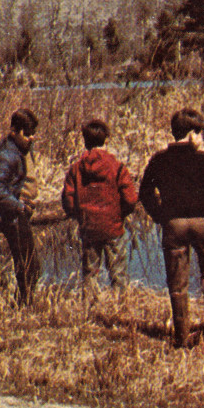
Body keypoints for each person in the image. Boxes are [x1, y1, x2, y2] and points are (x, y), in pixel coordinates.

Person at [139, 107, 204, 348]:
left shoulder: (159, 160)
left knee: (177, 282)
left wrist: (161, 216)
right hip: (202, 222)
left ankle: (181, 335)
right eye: (201, 133)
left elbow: (145, 192)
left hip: (174, 224)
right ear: (191, 134)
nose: (202, 139)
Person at [61, 118, 137, 301]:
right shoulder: (117, 167)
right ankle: (120, 308)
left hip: (89, 227)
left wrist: (79, 216)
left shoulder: (76, 169)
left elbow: (68, 200)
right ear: (106, 140)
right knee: (118, 273)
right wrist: (120, 214)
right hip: (113, 227)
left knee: (90, 273)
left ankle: (90, 310)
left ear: (85, 141)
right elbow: (131, 199)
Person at [0, 108, 40, 304]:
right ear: (14, 131)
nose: (31, 138)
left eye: (33, 133)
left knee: (30, 264)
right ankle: (25, 306)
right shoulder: (7, 155)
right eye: (27, 134)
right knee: (29, 266)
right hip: (12, 216)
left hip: (15, 212)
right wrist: (18, 205)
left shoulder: (16, 148)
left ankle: (25, 303)